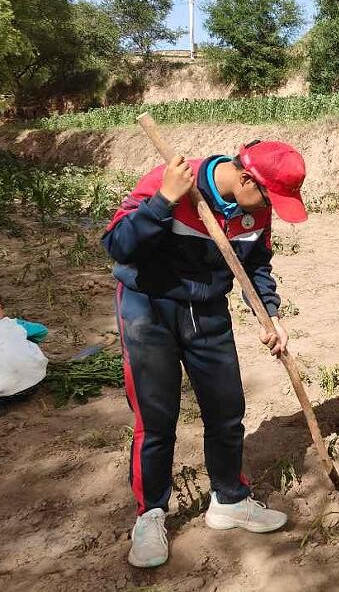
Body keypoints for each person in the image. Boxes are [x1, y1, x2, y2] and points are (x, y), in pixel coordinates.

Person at [102, 140, 307, 568]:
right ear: (247, 179)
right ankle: (150, 514)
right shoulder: (171, 180)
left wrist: (270, 315)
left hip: (207, 310)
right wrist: (163, 201)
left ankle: (229, 499)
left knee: (226, 409)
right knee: (156, 419)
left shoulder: (256, 209)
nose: (270, 207)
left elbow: (256, 265)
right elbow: (117, 245)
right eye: (269, 196)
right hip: (148, 307)